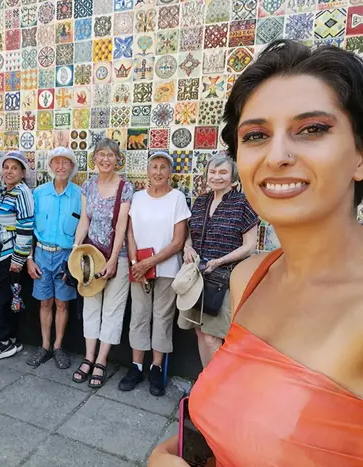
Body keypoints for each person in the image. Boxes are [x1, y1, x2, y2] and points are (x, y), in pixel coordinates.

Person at [150, 40, 363, 466]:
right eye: (256, 136)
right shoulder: (250, 277)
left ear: (359, 156)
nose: (277, 155)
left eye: (312, 129)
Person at [119, 151, 190, 396]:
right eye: (154, 167)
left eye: (163, 167)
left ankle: (156, 367)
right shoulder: (137, 197)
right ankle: (136, 366)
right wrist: (134, 263)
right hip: (139, 269)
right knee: (139, 315)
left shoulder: (177, 198)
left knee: (162, 317)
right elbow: (130, 233)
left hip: (167, 268)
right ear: (147, 172)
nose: (158, 172)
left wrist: (148, 262)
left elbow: (178, 241)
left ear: (170, 172)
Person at [178, 154, 258, 367]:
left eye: (223, 172)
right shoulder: (201, 201)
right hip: (197, 278)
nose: (216, 176)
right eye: (212, 172)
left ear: (233, 177)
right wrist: (187, 248)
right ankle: (206, 380)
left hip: (223, 280)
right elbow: (191, 235)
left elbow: (250, 245)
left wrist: (219, 261)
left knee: (213, 337)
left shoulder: (242, 203)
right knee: (199, 331)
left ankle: (217, 384)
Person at [72, 138, 133, 388]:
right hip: (90, 256)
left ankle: (101, 360)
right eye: (101, 154)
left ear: (117, 159)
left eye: (110, 155)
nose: (105, 159)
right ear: (94, 158)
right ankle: (88, 357)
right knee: (91, 307)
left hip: (116, 257)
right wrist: (76, 248)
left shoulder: (125, 188)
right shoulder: (87, 185)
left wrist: (114, 259)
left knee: (112, 311)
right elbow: (84, 220)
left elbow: (121, 226)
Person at [26, 147, 81, 369]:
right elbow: (28, 228)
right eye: (56, 162)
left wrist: (75, 261)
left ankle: (58, 346)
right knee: (45, 302)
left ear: (72, 167)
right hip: (41, 253)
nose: (60, 166)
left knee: (62, 303)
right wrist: (29, 259)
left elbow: (83, 228)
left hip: (66, 255)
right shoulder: (38, 193)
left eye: (65, 162)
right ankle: (45, 345)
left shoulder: (79, 195)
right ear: (50, 166)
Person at [0, 151, 35, 362]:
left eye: (14, 168)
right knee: (6, 300)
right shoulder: (5, 191)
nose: (9, 171)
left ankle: (3, 342)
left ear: (23, 172)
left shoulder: (22, 193)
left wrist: (18, 260)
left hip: (10, 256)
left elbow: (26, 227)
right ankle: (12, 339)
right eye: (6, 167)